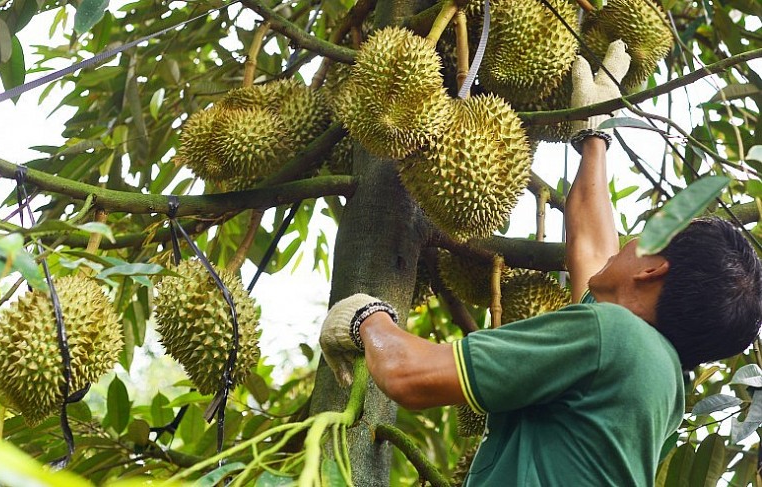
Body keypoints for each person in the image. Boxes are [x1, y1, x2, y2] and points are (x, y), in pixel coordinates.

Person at [319, 39, 762, 486]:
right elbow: (593, 249)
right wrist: (595, 138)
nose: (627, 243)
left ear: (652, 269)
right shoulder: (662, 385)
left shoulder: (615, 337)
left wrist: (366, 319)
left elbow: (409, 375)